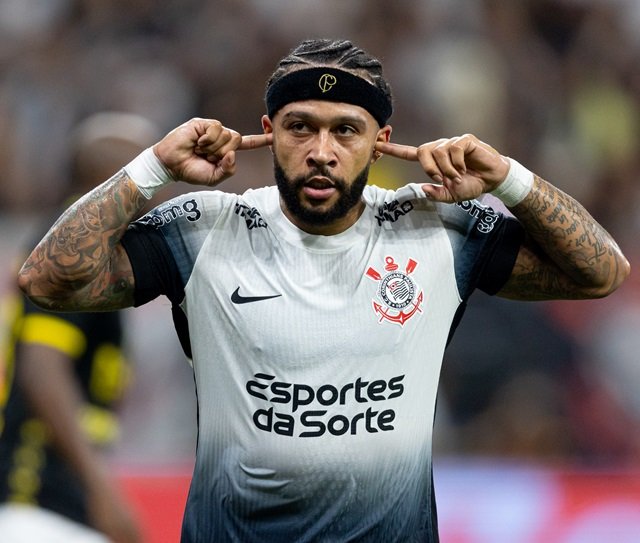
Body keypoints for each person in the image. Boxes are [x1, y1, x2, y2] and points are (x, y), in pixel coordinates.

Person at [17, 39, 630, 543]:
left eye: (346, 131)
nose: (321, 152)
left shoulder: (438, 230)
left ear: (381, 140)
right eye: (300, 127)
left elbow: (601, 273)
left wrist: (510, 179)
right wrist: (152, 167)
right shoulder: (205, 230)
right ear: (267, 132)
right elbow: (45, 280)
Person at [0, 112, 161, 543]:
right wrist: (103, 490)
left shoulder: (88, 250)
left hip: (55, 503)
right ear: (114, 181)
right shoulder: (73, 257)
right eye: (151, 172)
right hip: (36, 499)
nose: (159, 189)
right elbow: (42, 369)